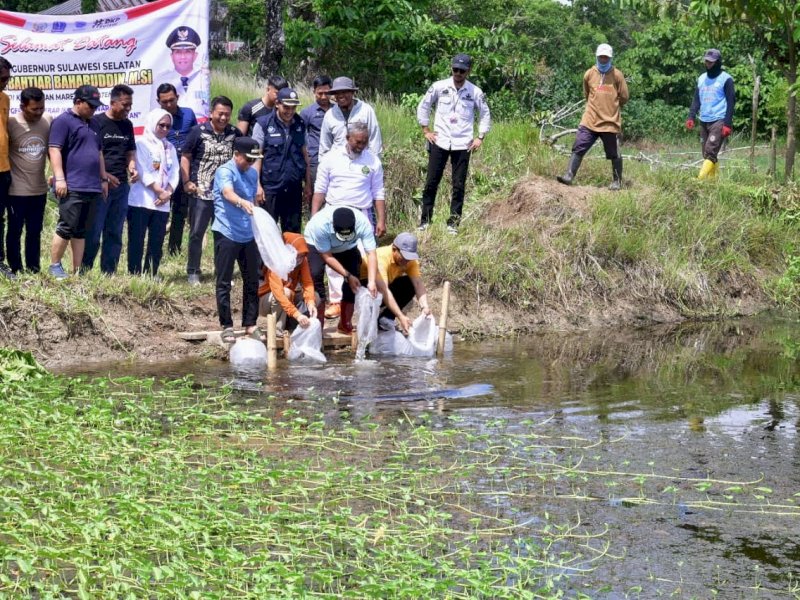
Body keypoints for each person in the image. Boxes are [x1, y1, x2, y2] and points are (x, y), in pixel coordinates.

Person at [417, 53, 491, 234]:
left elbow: (485, 114)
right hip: (440, 141)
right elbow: (424, 105)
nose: (458, 73)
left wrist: (480, 137)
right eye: (455, 69)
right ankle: (425, 220)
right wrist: (425, 129)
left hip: (463, 144)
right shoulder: (439, 86)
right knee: (431, 182)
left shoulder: (475, 92)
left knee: (458, 185)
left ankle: (453, 223)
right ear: (451, 68)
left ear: (468, 71)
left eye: (462, 71)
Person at [47, 85, 110, 279]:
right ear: (77, 102)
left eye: (95, 106)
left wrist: (104, 178)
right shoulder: (63, 122)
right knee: (67, 226)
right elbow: (54, 149)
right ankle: (55, 265)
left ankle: (77, 270)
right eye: (90, 105)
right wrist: (60, 178)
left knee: (81, 230)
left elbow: (99, 153)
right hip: (72, 184)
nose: (93, 109)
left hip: (92, 185)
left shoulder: (94, 123)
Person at [181, 95, 241, 285]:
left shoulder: (234, 133)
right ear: (211, 113)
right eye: (220, 114)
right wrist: (186, 181)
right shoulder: (197, 132)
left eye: (227, 115)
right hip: (201, 191)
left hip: (225, 194)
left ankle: (222, 272)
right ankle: (193, 272)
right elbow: (186, 156)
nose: (223, 118)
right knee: (197, 233)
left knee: (223, 234)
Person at [211, 136, 264, 344]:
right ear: (236, 155)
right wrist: (242, 202)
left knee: (252, 279)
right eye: (247, 159)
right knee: (224, 281)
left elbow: (253, 197)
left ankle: (250, 324)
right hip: (227, 232)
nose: (250, 164)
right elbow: (227, 192)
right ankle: (226, 325)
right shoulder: (225, 171)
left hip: (248, 233)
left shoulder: (251, 173)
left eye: (253, 160)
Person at [557, 43, 629, 190]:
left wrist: (613, 107)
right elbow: (587, 95)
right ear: (597, 57)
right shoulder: (589, 74)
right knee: (579, 146)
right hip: (590, 120)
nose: (603, 60)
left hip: (609, 122)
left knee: (613, 153)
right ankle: (569, 175)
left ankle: (617, 182)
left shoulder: (617, 75)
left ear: (610, 58)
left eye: (606, 57)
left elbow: (624, 96)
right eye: (601, 57)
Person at [82, 84, 137, 274]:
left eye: (130, 105)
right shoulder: (96, 122)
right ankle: (84, 270)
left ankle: (109, 272)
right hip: (99, 186)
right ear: (113, 103)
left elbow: (130, 151)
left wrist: (132, 167)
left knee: (114, 232)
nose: (128, 109)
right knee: (94, 232)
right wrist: (104, 176)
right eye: (124, 105)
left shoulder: (127, 125)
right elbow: (91, 154)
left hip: (121, 187)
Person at [304, 205, 378, 334]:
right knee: (315, 275)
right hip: (316, 245)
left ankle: (345, 323)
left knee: (355, 274)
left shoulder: (363, 224)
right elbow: (327, 257)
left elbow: (371, 253)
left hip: (347, 247)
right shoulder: (320, 225)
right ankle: (318, 325)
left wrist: (371, 281)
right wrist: (347, 275)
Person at [127, 109, 179, 276]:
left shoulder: (170, 147)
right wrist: (159, 191)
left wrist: (168, 192)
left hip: (162, 203)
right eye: (161, 125)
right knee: (137, 240)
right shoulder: (141, 143)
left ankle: (151, 274)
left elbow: (175, 172)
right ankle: (134, 274)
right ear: (152, 123)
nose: (164, 129)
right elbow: (142, 170)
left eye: (168, 126)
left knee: (156, 242)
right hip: (141, 201)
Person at [251, 87, 310, 233]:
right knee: (267, 231)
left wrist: (308, 184)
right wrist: (257, 185)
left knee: (293, 233)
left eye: (293, 107)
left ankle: (292, 257)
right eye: (286, 107)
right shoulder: (263, 124)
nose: (290, 111)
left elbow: (306, 155)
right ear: (277, 103)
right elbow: (256, 157)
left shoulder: (300, 124)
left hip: (293, 187)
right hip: (270, 188)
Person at [6, 87, 52, 274]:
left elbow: (52, 151)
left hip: (39, 190)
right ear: (23, 106)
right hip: (16, 191)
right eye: (35, 109)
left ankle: (34, 269)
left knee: (35, 232)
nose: (39, 112)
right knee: (15, 231)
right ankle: (16, 269)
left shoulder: (48, 120)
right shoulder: (11, 123)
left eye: (42, 108)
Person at [359, 232, 432, 334]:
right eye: (404, 257)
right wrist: (401, 316)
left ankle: (386, 318)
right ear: (394, 249)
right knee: (376, 291)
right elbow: (383, 290)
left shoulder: (410, 261)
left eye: (409, 257)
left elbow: (418, 284)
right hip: (363, 291)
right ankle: (369, 319)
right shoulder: (381, 258)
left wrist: (425, 306)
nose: (407, 261)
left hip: (383, 288)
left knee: (409, 284)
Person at [156, 83, 198, 255]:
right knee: (160, 213)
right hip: (162, 172)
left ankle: (174, 249)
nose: (168, 105)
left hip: (185, 169)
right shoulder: (156, 118)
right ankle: (155, 248)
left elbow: (197, 138)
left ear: (177, 98)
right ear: (158, 101)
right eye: (164, 102)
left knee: (180, 212)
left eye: (171, 100)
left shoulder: (188, 114)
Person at [686, 48, 735, 179]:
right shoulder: (701, 79)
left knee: (710, 152)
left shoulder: (726, 79)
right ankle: (713, 182)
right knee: (706, 154)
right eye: (706, 61)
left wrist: (727, 124)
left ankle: (699, 179)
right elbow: (696, 99)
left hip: (719, 120)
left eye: (711, 62)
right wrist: (691, 116)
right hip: (704, 120)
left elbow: (731, 103)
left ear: (718, 62)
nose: (708, 64)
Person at [257, 232, 318, 333]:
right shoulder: (275, 263)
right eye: (298, 255)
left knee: (315, 296)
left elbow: (308, 283)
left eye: (302, 255)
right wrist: (297, 314)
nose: (300, 259)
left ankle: (293, 325)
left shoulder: (303, 261)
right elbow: (279, 294)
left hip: (288, 297)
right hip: (267, 301)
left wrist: (311, 302)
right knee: (286, 292)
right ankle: (277, 328)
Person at [152, 26, 209, 119]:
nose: (183, 57)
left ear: (195, 55)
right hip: (171, 128)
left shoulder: (203, 76)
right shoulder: (160, 80)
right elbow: (154, 114)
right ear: (172, 56)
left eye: (188, 52)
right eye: (178, 52)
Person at [318, 76, 382, 158]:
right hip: (338, 165)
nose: (340, 95)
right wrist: (323, 167)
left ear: (352, 92)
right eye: (337, 93)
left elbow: (375, 141)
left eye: (344, 92)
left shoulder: (366, 111)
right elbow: (324, 146)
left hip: (362, 163)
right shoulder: (330, 115)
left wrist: (374, 164)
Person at [299, 75, 332, 186]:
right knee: (315, 193)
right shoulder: (307, 113)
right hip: (314, 161)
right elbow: (300, 137)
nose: (323, 97)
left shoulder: (337, 111)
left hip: (335, 159)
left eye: (326, 93)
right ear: (314, 92)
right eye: (320, 93)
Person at [0, 57, 12, 278]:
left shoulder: (5, 99)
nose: (5, 83)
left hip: (2, 168)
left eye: (7, 79)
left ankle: (0, 263)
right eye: (2, 79)